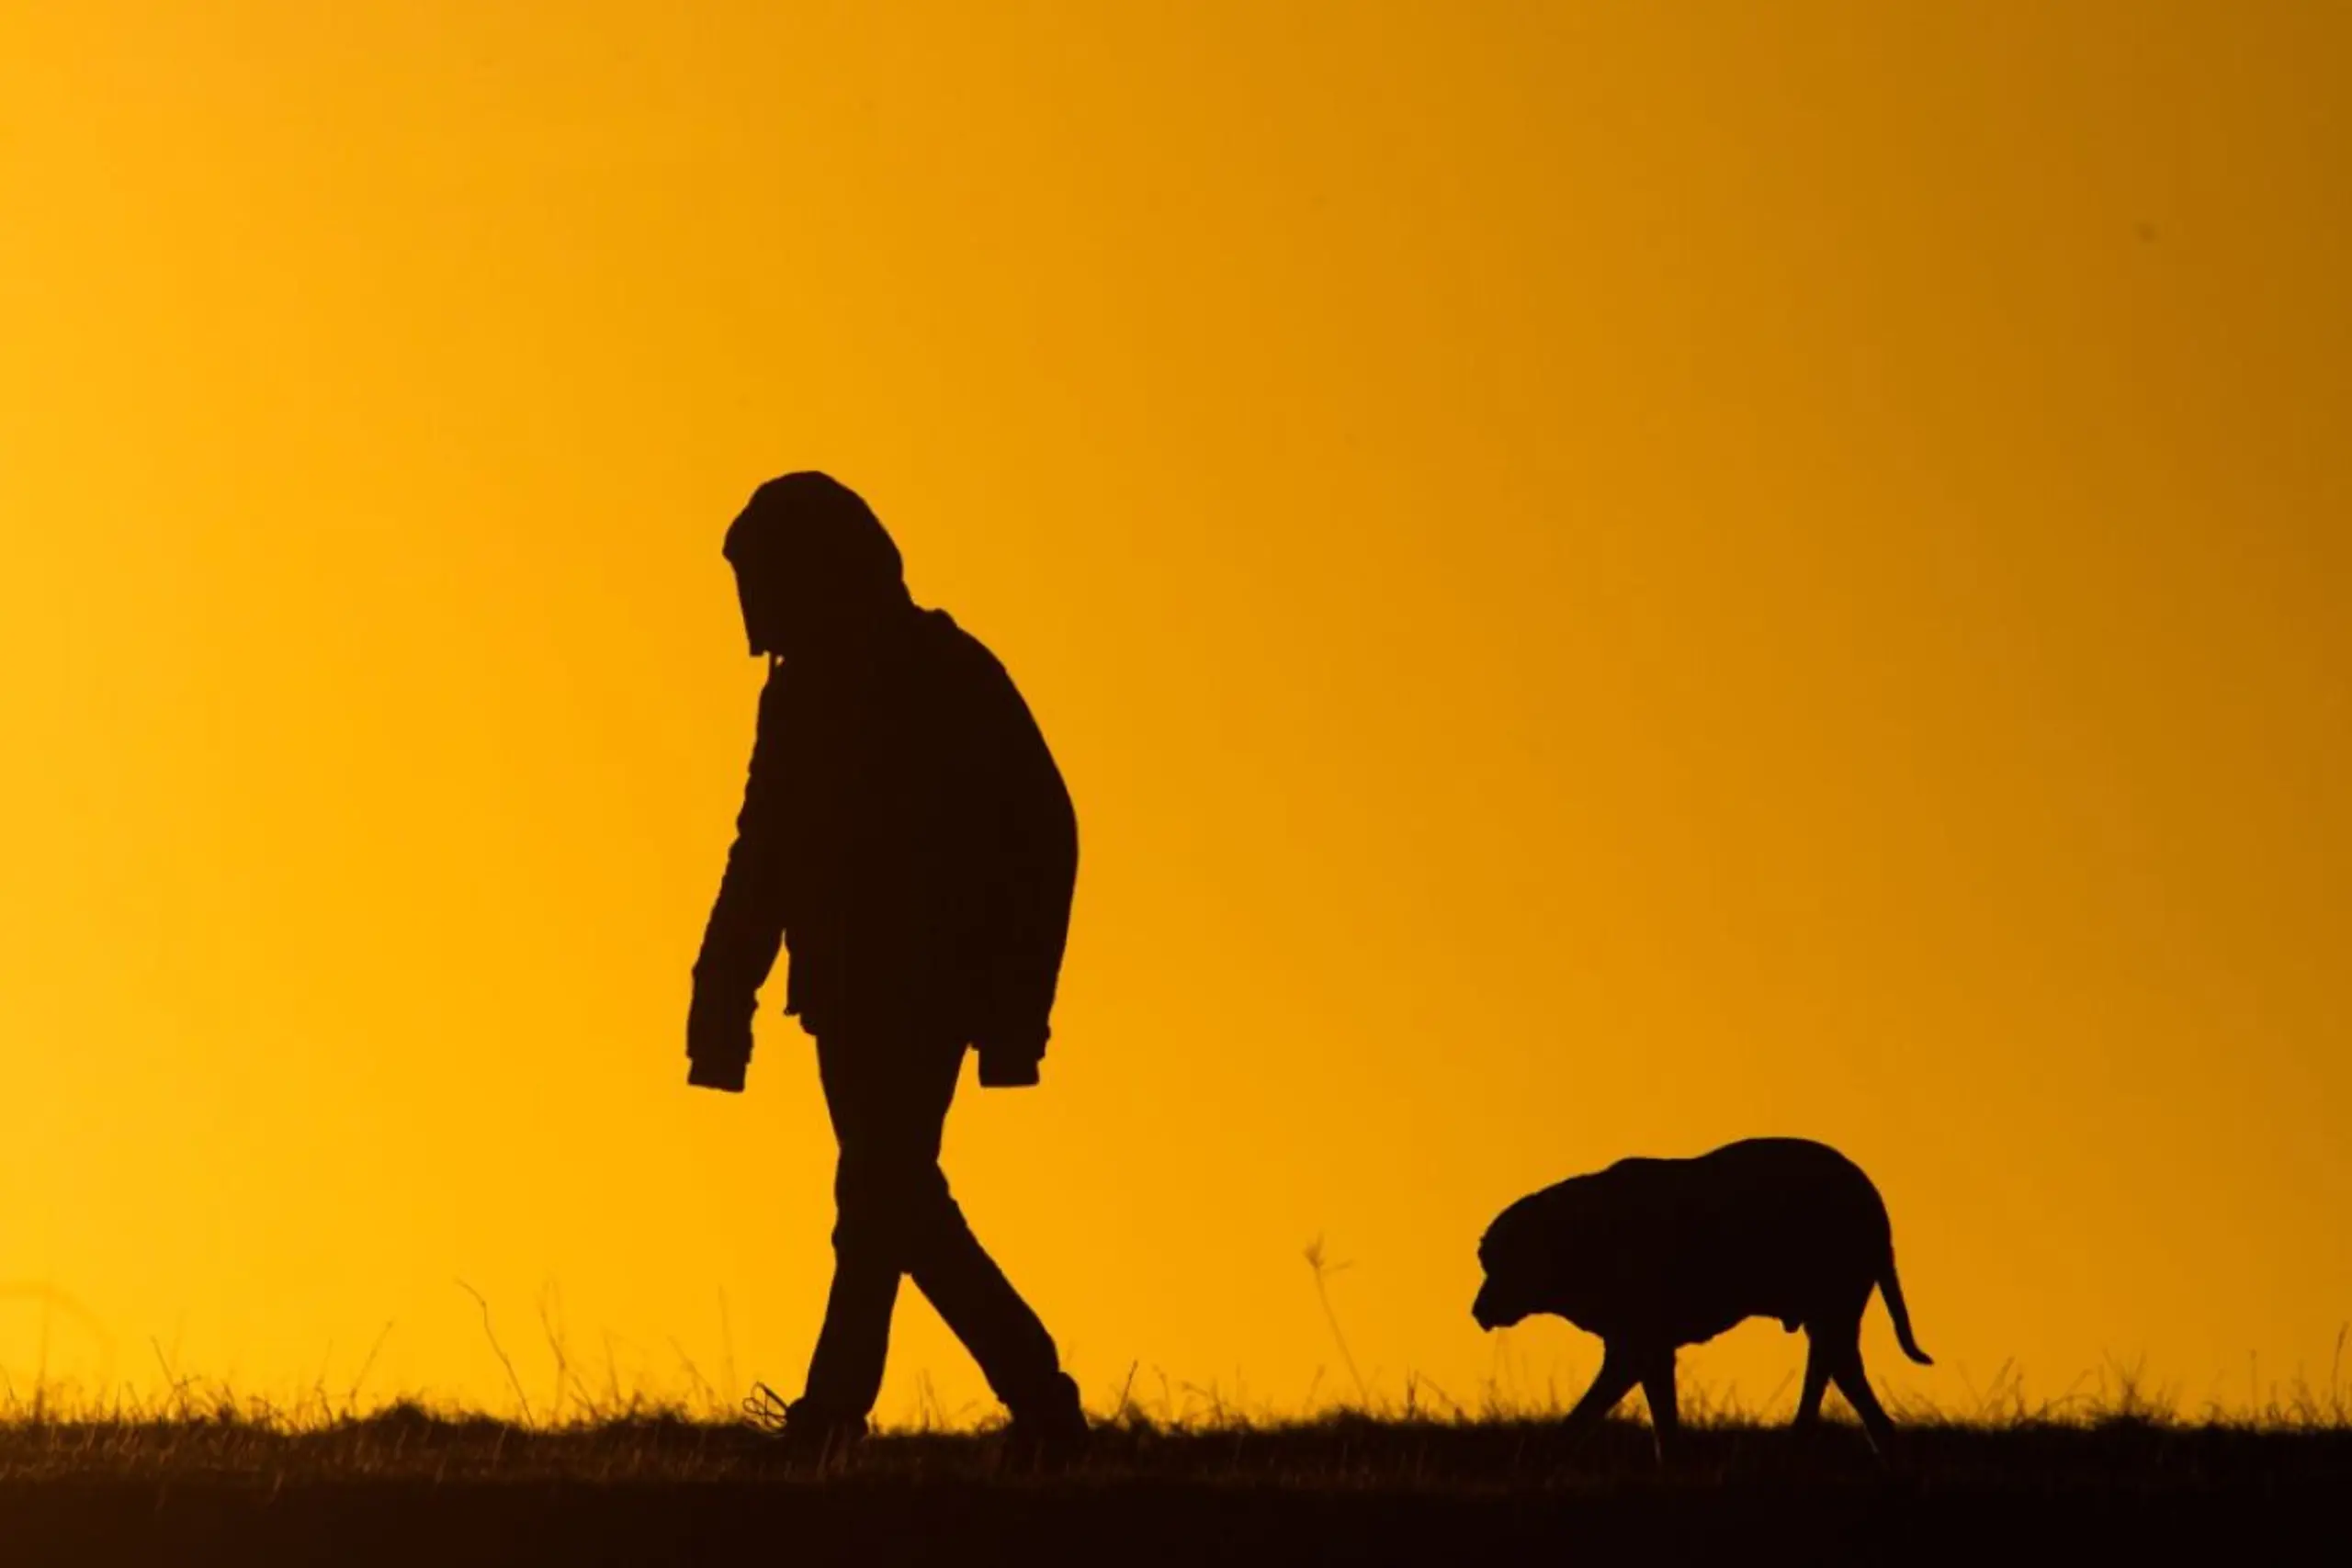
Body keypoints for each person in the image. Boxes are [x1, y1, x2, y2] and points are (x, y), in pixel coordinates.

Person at [685, 471, 1087, 1465]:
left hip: (929, 988)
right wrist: (720, 996)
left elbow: (1042, 835)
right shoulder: (797, 695)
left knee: (880, 1194)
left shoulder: (945, 675)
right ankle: (1025, 1397)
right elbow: (764, 847)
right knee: (892, 1200)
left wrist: (1012, 1010)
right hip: (840, 994)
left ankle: (853, 1411)